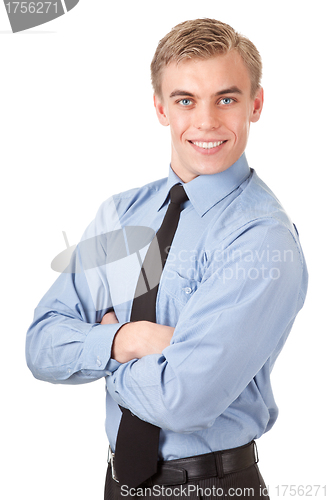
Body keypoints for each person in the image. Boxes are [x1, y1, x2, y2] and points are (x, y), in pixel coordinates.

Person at [26, 18, 308, 499]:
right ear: (160, 107)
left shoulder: (261, 238)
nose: (206, 122)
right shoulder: (122, 214)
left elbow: (181, 401)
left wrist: (100, 352)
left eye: (227, 98)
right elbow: (41, 345)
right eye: (185, 100)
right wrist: (128, 339)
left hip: (212, 488)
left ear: (255, 104)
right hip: (117, 483)